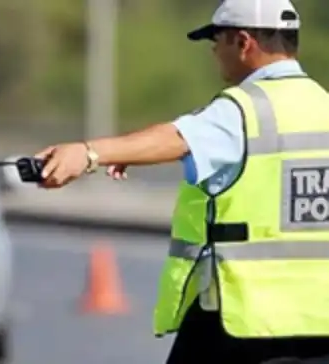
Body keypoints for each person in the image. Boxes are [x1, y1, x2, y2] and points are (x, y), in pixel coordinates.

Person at [34, 0, 329, 363]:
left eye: (216, 39)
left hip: (244, 324)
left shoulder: (243, 110)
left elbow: (174, 138)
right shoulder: (322, 106)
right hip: (318, 322)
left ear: (242, 41)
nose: (213, 50)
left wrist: (88, 153)